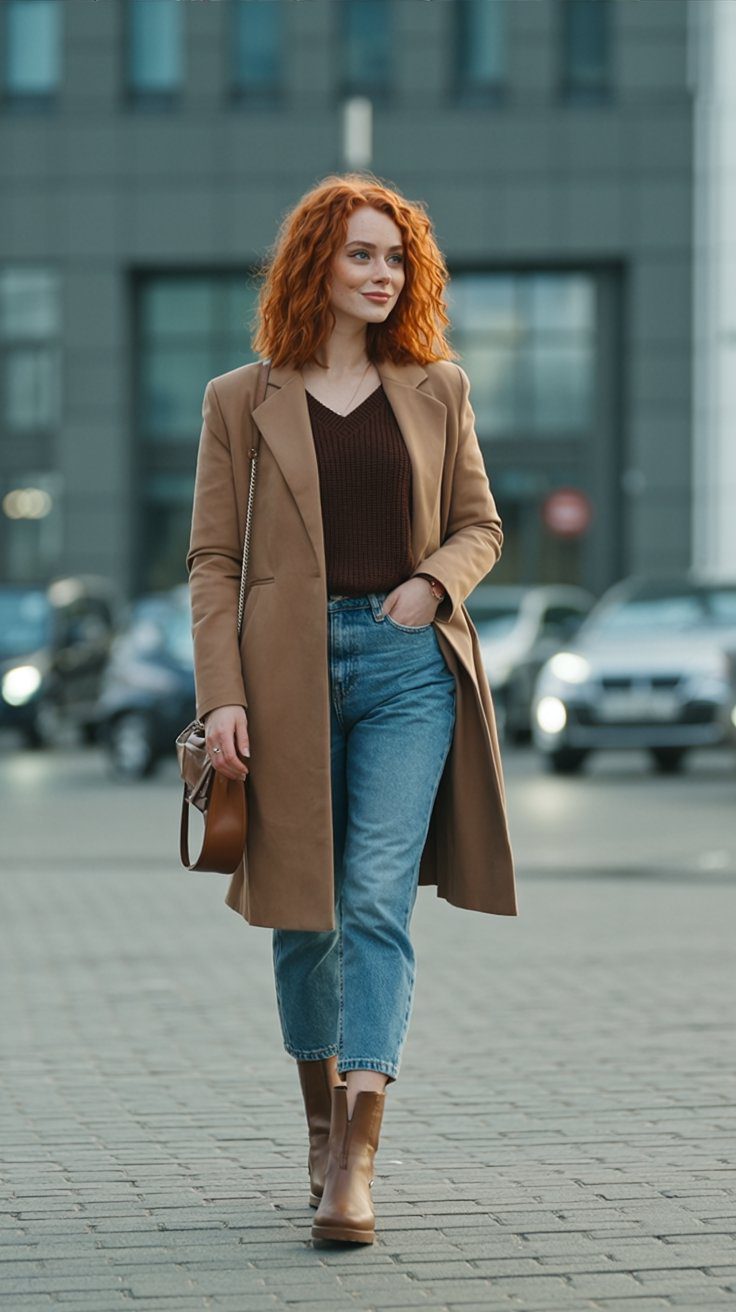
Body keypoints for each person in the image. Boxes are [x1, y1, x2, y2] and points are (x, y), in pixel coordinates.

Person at [186, 172, 518, 1247]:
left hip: (405, 666)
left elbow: (481, 524)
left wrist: (432, 583)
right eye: (363, 255)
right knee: (302, 912)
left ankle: (356, 1166)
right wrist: (221, 696)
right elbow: (212, 561)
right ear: (315, 265)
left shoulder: (438, 387)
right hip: (281, 680)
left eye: (396, 259)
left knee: (375, 899)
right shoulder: (241, 398)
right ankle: (322, 1132)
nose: (383, 275)